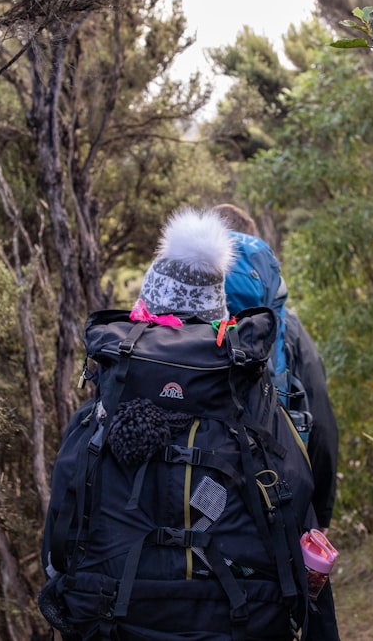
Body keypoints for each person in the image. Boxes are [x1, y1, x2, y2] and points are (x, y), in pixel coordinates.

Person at [39, 208, 316, 640]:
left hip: (118, 620)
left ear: (144, 311)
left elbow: (58, 547)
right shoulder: (255, 405)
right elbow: (299, 512)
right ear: (221, 317)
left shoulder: (101, 410)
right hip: (242, 621)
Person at [211, 203, 341, 641]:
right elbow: (320, 422)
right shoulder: (285, 328)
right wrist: (317, 516)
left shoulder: (174, 329)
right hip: (278, 494)